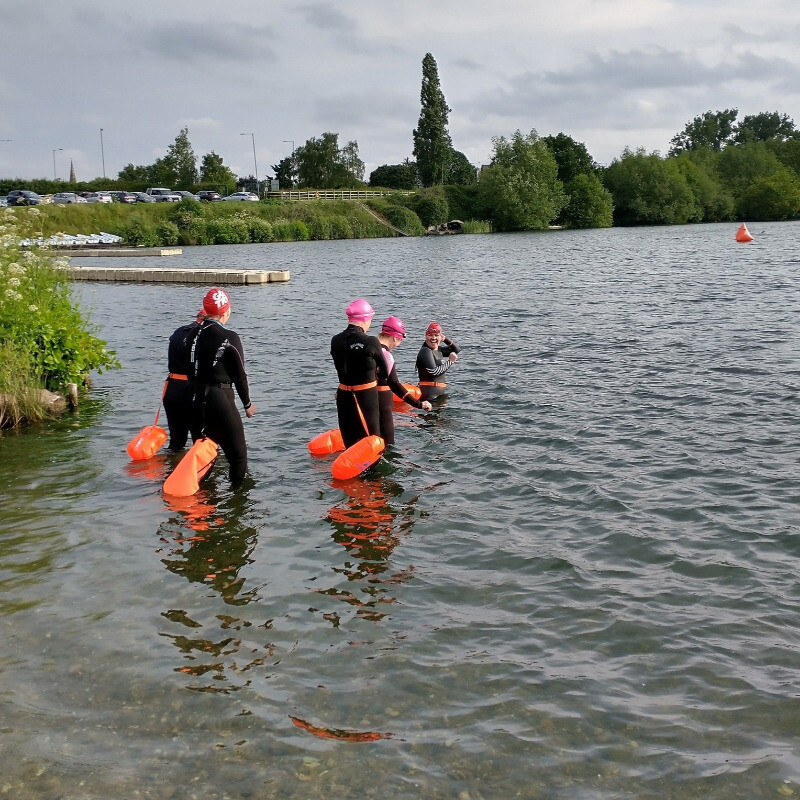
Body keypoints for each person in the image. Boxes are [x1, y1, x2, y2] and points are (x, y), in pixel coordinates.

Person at [189, 287, 257, 485]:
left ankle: (200, 495)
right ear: (225, 311)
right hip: (220, 398)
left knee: (204, 452)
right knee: (238, 455)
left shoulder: (192, 333)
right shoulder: (229, 336)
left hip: (194, 399)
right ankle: (237, 502)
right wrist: (247, 404)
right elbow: (240, 374)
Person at [330, 299, 387, 449]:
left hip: (343, 396)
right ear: (365, 319)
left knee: (350, 444)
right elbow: (385, 372)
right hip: (365, 397)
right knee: (372, 443)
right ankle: (374, 472)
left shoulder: (335, 340)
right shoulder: (371, 341)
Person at [377, 316, 432, 444]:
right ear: (395, 337)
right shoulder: (386, 355)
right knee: (388, 445)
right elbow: (394, 384)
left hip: (364, 404)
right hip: (382, 408)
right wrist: (419, 404)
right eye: (400, 340)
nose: (399, 344)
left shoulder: (368, 348)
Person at [163, 309, 205, 451]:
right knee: (199, 441)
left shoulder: (178, 331)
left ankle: (170, 469)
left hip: (171, 389)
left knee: (176, 442)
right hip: (190, 390)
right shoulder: (203, 333)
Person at [415, 321, 460, 402]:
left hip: (438, 397)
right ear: (426, 336)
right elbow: (433, 371)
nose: (433, 338)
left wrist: (445, 339)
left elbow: (456, 350)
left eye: (436, 335)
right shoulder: (425, 351)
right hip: (429, 397)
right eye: (430, 335)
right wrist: (450, 361)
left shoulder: (438, 350)